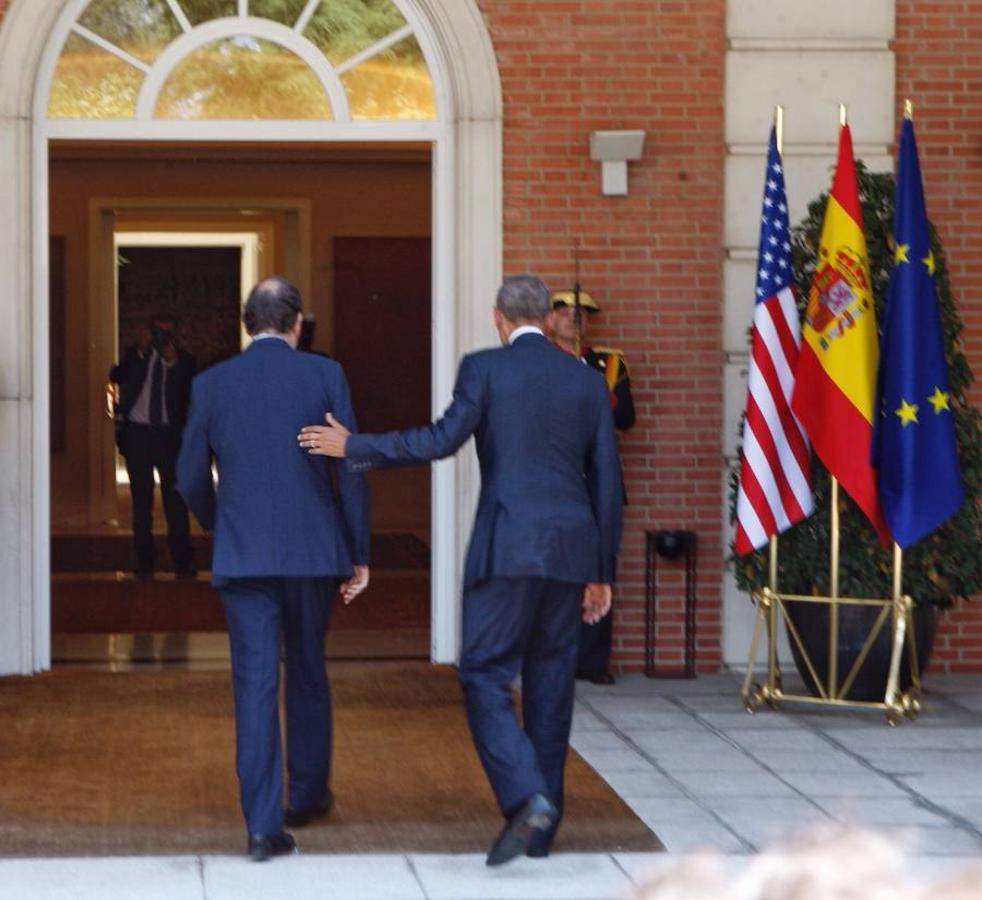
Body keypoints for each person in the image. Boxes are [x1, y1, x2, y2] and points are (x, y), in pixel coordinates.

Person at [298, 274, 623, 866]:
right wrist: (603, 571)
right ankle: (542, 831)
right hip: (573, 550)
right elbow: (608, 481)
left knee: (482, 671)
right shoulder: (585, 379)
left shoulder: (485, 369)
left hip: (508, 546)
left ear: (499, 317)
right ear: (549, 319)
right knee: (552, 683)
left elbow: (439, 440)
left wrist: (356, 446)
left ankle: (527, 798)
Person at [176, 276, 370, 862]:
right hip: (312, 553)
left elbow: (188, 477)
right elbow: (351, 465)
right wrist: (357, 550)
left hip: (244, 555)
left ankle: (262, 827)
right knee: (308, 667)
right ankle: (306, 795)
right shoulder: (324, 375)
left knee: (254, 684)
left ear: (246, 323)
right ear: (296, 324)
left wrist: (221, 523)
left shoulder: (212, 383)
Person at [550, 289, 635, 685]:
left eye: (583, 312)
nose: (575, 317)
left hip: (600, 478)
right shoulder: (545, 361)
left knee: (601, 564)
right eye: (566, 310)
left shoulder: (609, 363)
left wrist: (596, 386)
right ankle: (559, 659)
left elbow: (626, 417)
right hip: (561, 477)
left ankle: (593, 661)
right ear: (550, 319)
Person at [110, 313, 196, 578]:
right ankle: (145, 560)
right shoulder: (136, 357)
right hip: (139, 435)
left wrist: (172, 361)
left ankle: (182, 560)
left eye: (166, 334)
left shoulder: (184, 362)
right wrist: (140, 350)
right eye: (157, 332)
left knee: (175, 502)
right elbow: (116, 375)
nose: (161, 339)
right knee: (141, 501)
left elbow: (189, 389)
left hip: (169, 438)